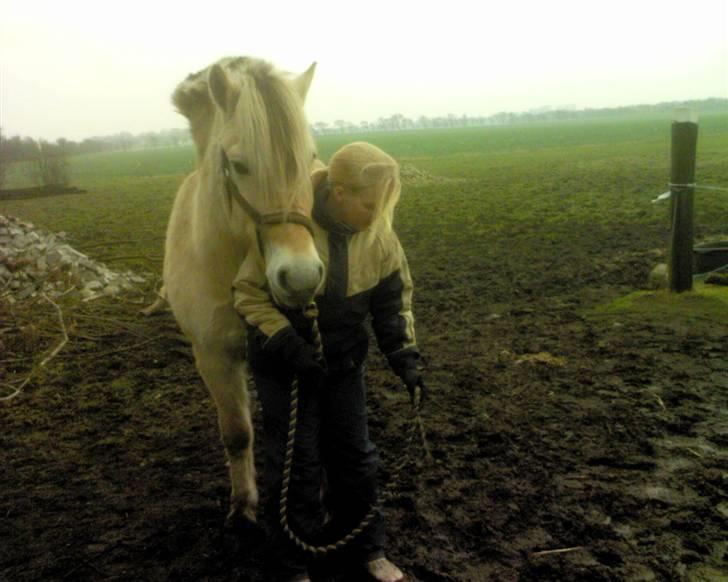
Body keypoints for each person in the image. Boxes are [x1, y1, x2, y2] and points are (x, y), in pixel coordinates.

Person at [233, 142, 425, 582]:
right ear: (338, 193)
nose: (377, 215)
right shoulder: (289, 229)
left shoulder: (379, 237)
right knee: (295, 463)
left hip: (343, 363)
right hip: (286, 366)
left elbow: (393, 302)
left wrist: (405, 357)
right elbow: (247, 293)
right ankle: (291, 564)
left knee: (356, 456)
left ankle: (367, 548)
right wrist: (287, 343)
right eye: (369, 204)